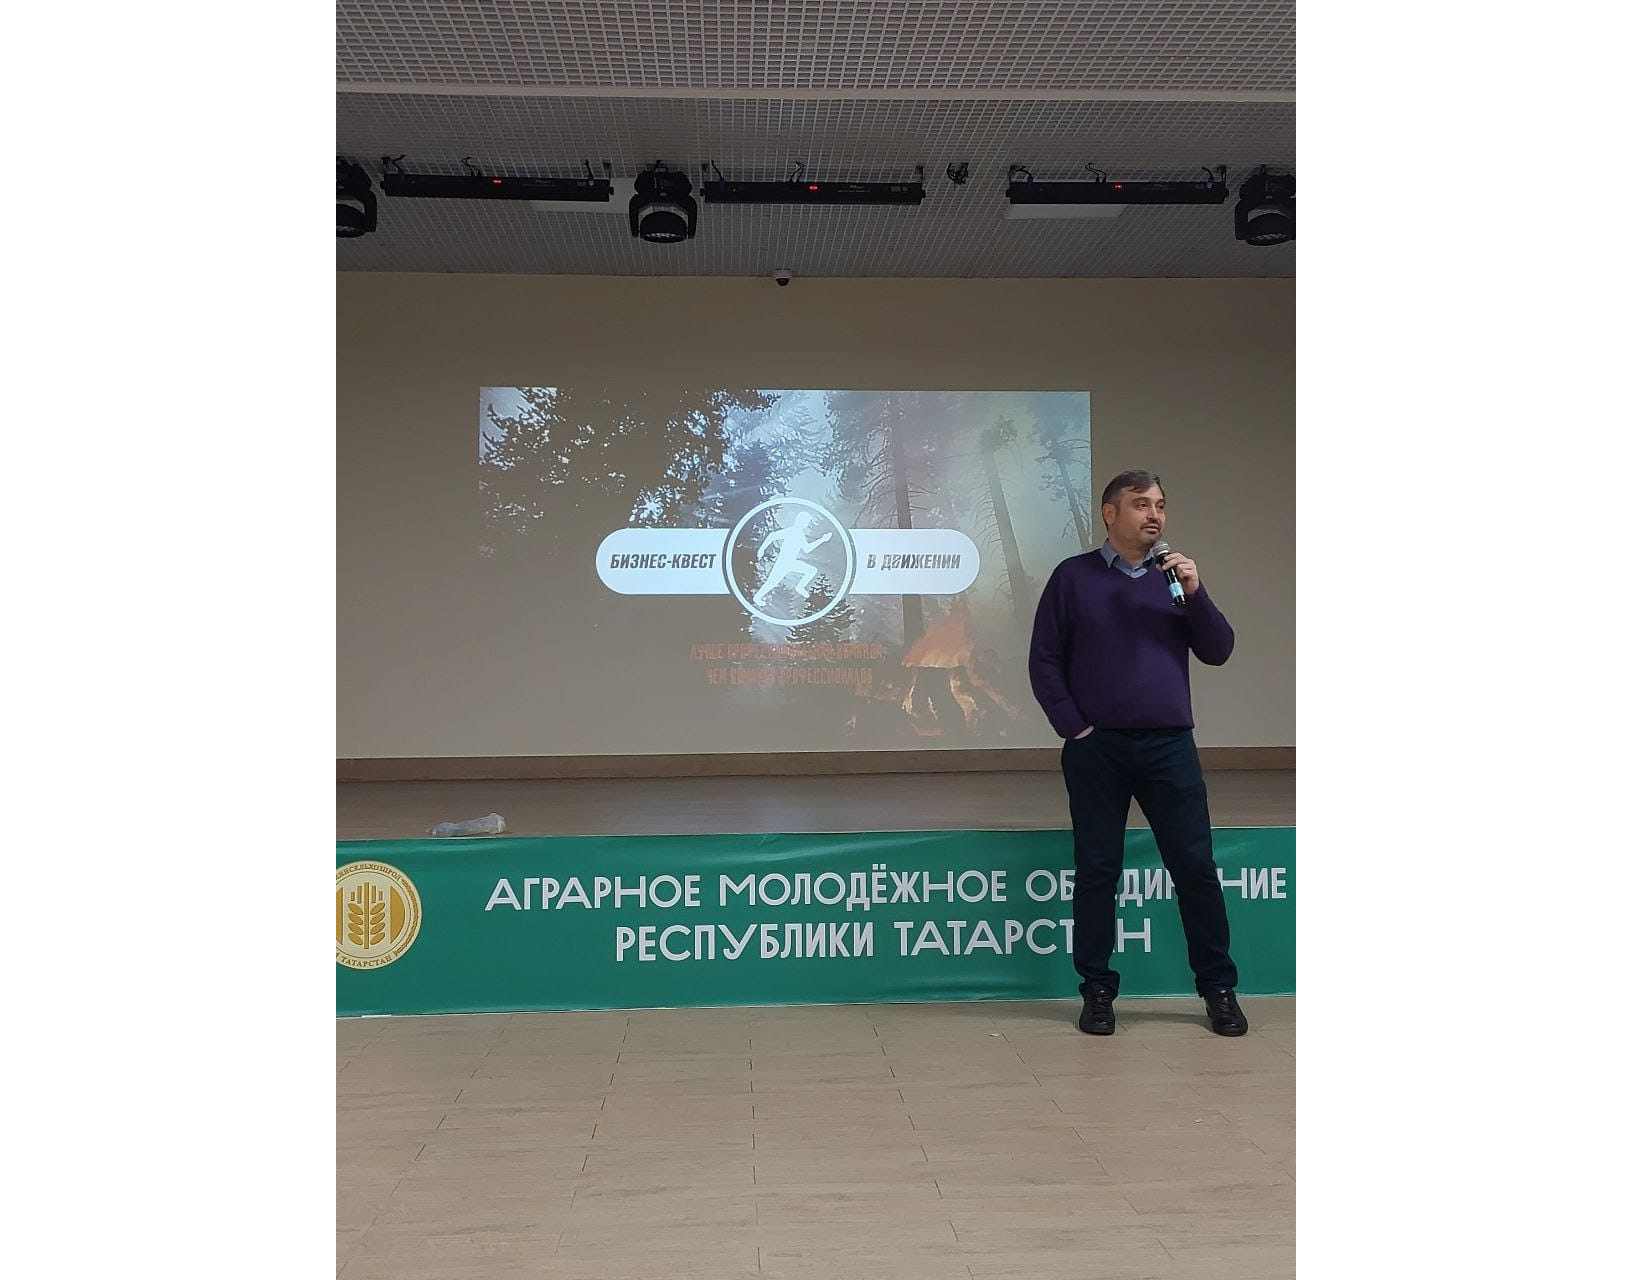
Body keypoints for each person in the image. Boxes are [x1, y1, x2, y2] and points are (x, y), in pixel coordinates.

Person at [1027, 469, 1248, 1037]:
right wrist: (1075, 728)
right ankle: (1098, 991)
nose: (1155, 515)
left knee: (1194, 867)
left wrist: (1195, 592)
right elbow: (1044, 660)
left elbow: (1218, 650)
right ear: (1110, 513)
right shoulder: (1073, 577)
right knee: (1098, 869)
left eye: (1161, 505)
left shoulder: (1174, 578)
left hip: (1169, 746)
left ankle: (1218, 988)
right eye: (1141, 504)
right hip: (1096, 749)